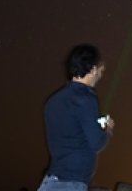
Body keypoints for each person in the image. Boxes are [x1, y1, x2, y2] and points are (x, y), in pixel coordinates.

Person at [37, 44, 114, 191]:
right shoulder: (85, 99)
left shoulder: (53, 101)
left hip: (52, 179)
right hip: (71, 181)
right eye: (100, 71)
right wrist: (107, 129)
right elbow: (97, 142)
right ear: (92, 70)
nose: (100, 76)